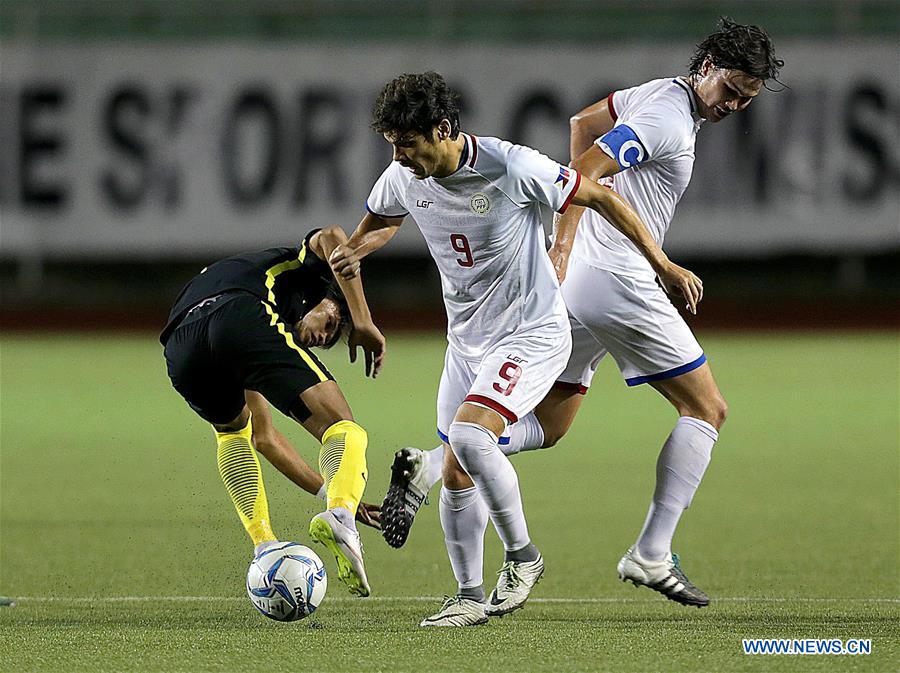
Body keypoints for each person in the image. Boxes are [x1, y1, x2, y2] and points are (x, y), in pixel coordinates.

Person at [367, 19, 784, 609]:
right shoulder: (667, 117)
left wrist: (569, 246)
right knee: (707, 408)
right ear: (708, 66)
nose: (735, 104)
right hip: (616, 276)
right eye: (733, 88)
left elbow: (582, 123)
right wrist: (572, 238)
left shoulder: (657, 94)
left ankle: (438, 464)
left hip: (575, 288)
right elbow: (588, 169)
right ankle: (651, 552)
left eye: (748, 98)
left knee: (551, 426)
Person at [331, 71, 700, 626]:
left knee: (471, 437)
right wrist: (358, 251)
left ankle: (525, 558)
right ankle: (469, 597)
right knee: (456, 471)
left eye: (409, 145)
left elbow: (599, 194)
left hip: (531, 332)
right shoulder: (405, 175)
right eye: (393, 147)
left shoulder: (510, 165)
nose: (401, 157)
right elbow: (382, 221)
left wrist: (662, 263)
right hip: (465, 340)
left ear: (444, 128)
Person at [160, 226, 386, 597]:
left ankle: (264, 544)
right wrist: (361, 318)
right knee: (344, 428)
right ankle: (341, 517)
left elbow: (264, 439)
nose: (321, 338)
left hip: (181, 346)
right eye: (329, 323)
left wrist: (333, 489)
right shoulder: (303, 270)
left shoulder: (260, 313)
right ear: (326, 296)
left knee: (235, 431)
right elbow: (332, 235)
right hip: (238, 310)